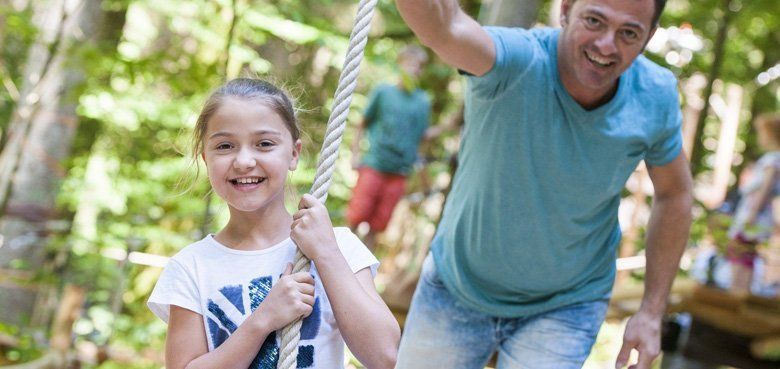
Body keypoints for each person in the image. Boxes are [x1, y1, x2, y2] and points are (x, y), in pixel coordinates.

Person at [393, 0, 693, 368]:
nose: (606, 45)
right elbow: (444, 27)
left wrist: (651, 310)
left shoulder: (654, 94)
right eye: (594, 21)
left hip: (567, 304)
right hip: (459, 285)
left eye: (629, 33)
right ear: (565, 10)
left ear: (649, 37)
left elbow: (675, 193)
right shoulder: (517, 60)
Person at [147, 78, 400, 369]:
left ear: (294, 153)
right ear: (206, 158)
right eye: (225, 146)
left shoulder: (337, 246)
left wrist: (326, 253)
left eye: (264, 144)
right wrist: (262, 320)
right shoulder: (191, 267)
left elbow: (385, 356)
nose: (244, 161)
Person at [347, 45, 431, 249]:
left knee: (379, 224)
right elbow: (362, 123)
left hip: (400, 171)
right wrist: (355, 155)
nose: (413, 69)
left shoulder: (422, 102)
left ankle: (363, 263)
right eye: (409, 64)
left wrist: (422, 177)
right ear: (400, 65)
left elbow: (421, 138)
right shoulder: (383, 92)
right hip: (375, 163)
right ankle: (339, 257)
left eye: (418, 66)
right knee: (357, 214)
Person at [727, 113, 780, 294]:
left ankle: (738, 292)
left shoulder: (772, 160)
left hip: (754, 215)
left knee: (739, 251)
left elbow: (765, 189)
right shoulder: (773, 159)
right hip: (758, 215)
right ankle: (740, 292)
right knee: (746, 254)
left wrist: (752, 214)